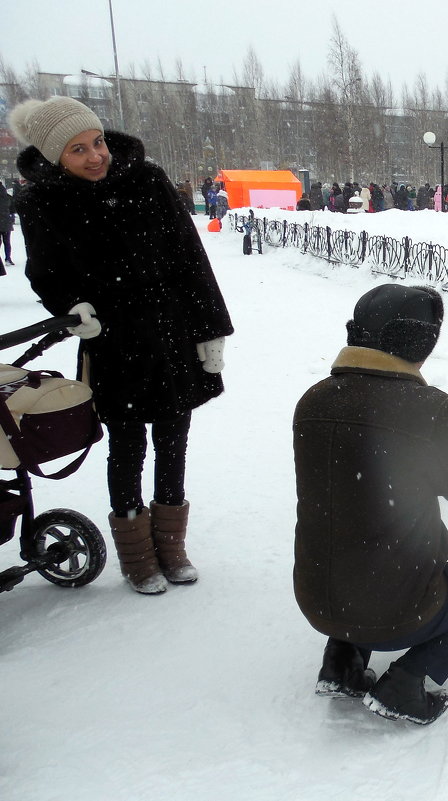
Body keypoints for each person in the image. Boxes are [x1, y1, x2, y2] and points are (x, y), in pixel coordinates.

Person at [9, 96, 234, 595]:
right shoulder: (42, 202)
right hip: (112, 343)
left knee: (174, 442)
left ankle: (171, 547)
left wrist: (211, 328)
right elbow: (44, 272)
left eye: (98, 142)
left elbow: (190, 258)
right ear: (53, 157)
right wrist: (73, 310)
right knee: (127, 446)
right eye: (77, 150)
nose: (95, 156)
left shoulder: (147, 181)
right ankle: (138, 555)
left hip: (173, 334)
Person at [293, 283, 448, 725]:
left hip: (319, 603)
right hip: (397, 613)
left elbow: (381, 436)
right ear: (421, 342)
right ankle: (406, 682)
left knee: (352, 529)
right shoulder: (422, 411)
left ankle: (341, 664)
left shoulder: (315, 399)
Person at [0, 180, 13, 269]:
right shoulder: (6, 196)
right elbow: (11, 206)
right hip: (6, 221)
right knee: (7, 242)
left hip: (3, 220)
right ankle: (8, 258)